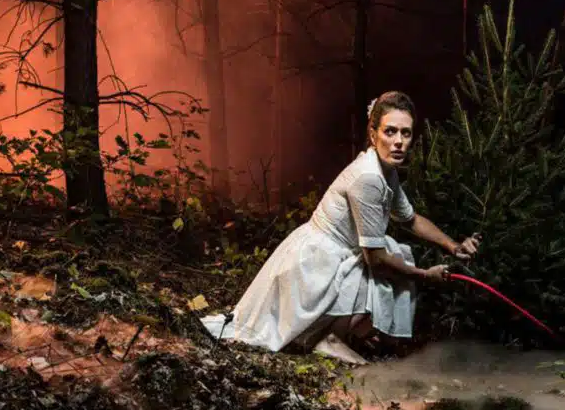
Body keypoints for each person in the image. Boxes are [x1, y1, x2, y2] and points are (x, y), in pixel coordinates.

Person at [205, 91, 480, 360]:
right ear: (373, 134)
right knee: (388, 264)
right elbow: (375, 259)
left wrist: (452, 246)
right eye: (390, 132)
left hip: (338, 254)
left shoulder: (386, 171)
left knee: (393, 254)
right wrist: (424, 275)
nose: (398, 142)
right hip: (315, 263)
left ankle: (340, 333)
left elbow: (410, 219)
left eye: (405, 133)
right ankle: (330, 336)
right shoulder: (368, 178)